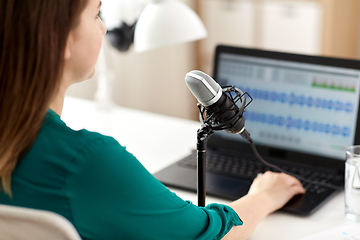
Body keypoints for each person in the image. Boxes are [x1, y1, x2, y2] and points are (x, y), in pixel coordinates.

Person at [0, 0, 305, 239]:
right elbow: (212, 233)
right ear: (59, 39)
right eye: (96, 15)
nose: (105, 29)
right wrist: (265, 196)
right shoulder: (87, 163)